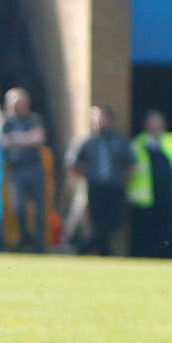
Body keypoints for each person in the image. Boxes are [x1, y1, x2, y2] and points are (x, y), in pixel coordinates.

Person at [66, 105, 134, 256]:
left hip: (114, 187)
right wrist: (85, 177)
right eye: (96, 118)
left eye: (103, 118)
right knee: (96, 222)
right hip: (94, 187)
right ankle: (104, 253)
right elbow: (72, 163)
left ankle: (83, 248)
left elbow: (130, 163)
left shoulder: (119, 140)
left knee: (115, 221)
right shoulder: (85, 141)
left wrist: (123, 179)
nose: (100, 122)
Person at [127, 110, 172, 258]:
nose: (155, 126)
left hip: (170, 197)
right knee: (146, 234)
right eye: (152, 122)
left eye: (158, 122)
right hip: (145, 200)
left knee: (171, 232)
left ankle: (167, 257)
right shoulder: (137, 144)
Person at [1, 88, 49, 252]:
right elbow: (4, 142)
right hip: (16, 170)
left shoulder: (33, 119)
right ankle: (24, 238)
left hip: (34, 168)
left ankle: (39, 245)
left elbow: (38, 138)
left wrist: (16, 138)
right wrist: (25, 138)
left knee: (39, 207)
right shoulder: (6, 122)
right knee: (18, 207)